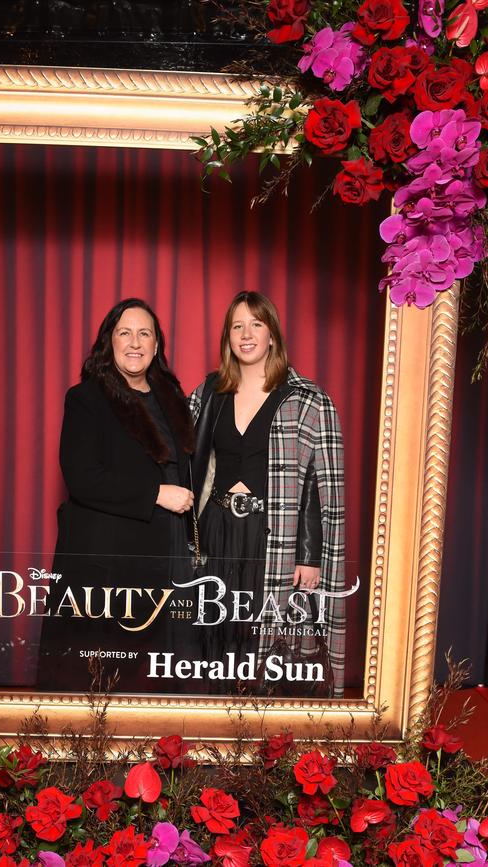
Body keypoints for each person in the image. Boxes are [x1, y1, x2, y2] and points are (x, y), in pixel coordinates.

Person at [190, 291, 346, 697]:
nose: (246, 334)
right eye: (237, 326)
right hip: (217, 529)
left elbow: (321, 480)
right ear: (228, 337)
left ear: (272, 335)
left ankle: (259, 732)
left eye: (256, 324)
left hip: (273, 534)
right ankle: (213, 725)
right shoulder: (208, 394)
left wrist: (309, 555)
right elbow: (184, 460)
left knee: (265, 637)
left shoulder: (307, 399)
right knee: (214, 631)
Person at [37, 298, 195, 693]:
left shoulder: (172, 399)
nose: (135, 342)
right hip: (108, 566)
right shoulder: (87, 399)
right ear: (110, 340)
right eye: (125, 332)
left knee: (158, 679)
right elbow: (82, 478)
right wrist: (156, 493)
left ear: (157, 345)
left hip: (167, 554)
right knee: (100, 679)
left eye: (145, 333)